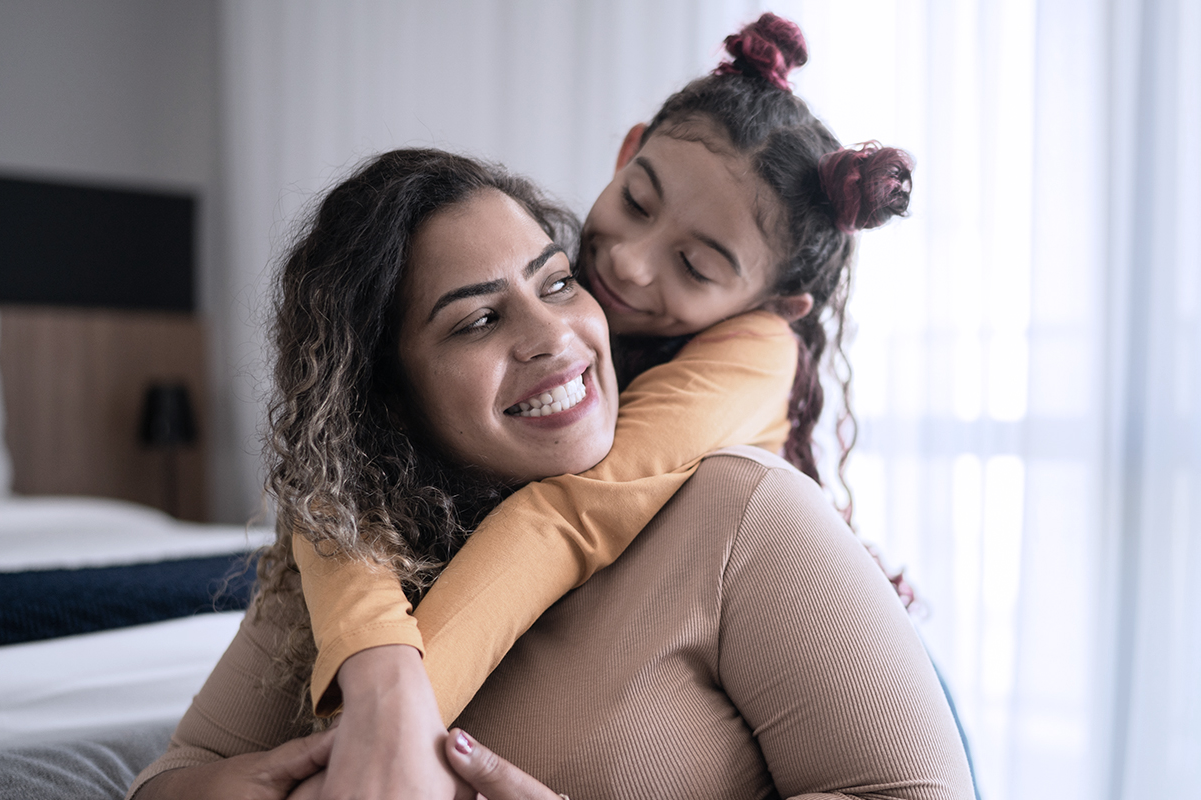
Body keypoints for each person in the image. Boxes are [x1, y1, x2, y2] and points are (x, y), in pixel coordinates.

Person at [128, 148, 972, 800]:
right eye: (480, 320)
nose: (556, 336)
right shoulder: (356, 551)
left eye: (558, 283)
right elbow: (179, 771)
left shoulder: (744, 513)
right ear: (387, 397)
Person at [287, 15, 917, 797]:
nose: (624, 258)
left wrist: (395, 735)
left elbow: (569, 514)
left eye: (692, 264)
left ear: (776, 304)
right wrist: (376, 675)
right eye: (638, 201)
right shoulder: (551, 281)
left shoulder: (756, 355)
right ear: (626, 153)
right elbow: (334, 484)